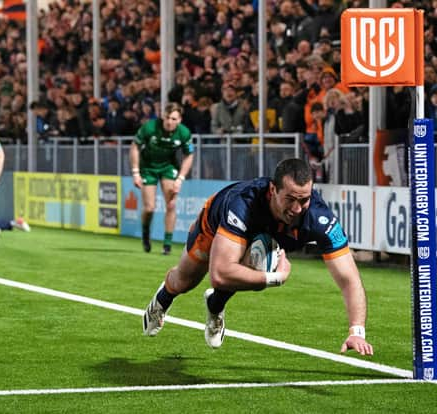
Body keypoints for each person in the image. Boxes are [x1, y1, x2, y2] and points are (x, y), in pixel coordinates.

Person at [142, 158, 374, 356]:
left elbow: (349, 278)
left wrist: (357, 331)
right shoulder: (243, 203)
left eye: (304, 199)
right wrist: (275, 278)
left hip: (255, 241)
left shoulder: (320, 219)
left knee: (254, 263)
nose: (297, 209)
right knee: (184, 281)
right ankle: (163, 299)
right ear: (273, 190)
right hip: (216, 222)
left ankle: (215, 305)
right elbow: (220, 274)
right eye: (290, 199)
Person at [129, 102, 194, 255]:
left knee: (171, 204)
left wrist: (180, 179)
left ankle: (167, 244)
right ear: (162, 117)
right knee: (149, 208)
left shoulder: (184, 133)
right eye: (167, 118)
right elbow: (134, 147)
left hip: (168, 167)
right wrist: (135, 172)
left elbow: (189, 155)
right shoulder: (150, 127)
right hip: (148, 167)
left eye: (173, 119)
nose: (170, 122)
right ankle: (145, 234)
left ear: (179, 120)